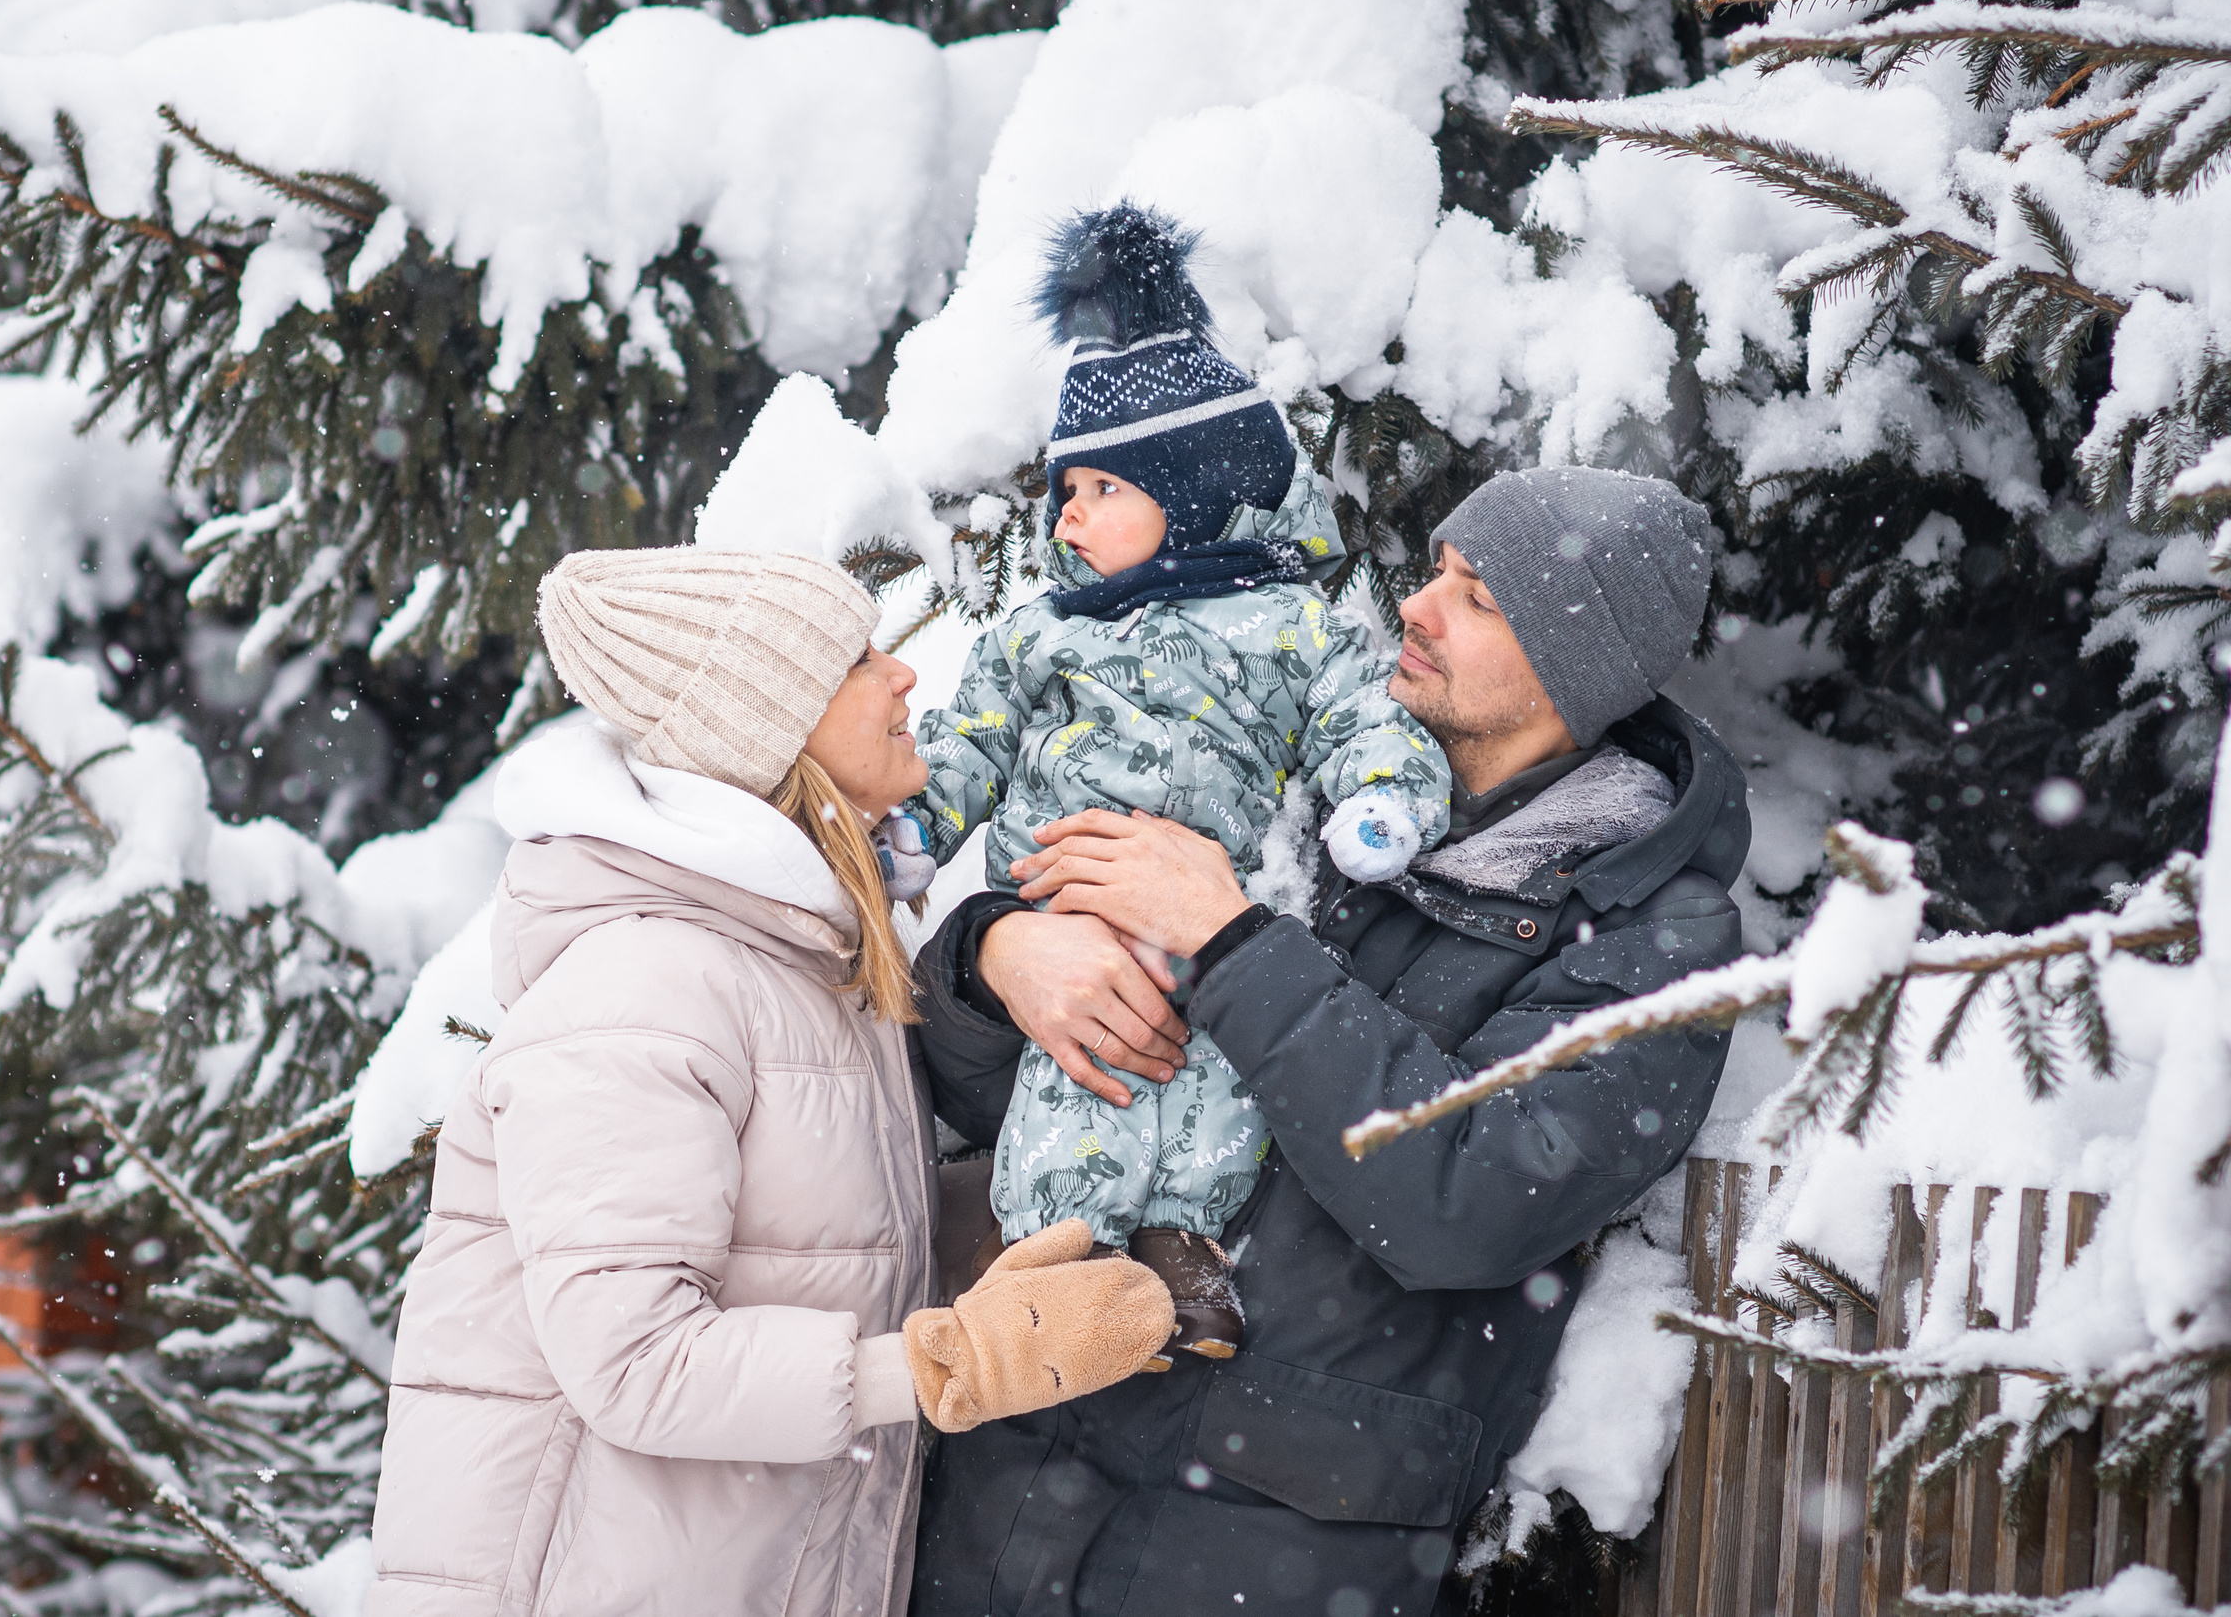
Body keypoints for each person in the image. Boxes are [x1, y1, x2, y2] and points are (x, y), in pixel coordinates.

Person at [909, 467, 1752, 1616]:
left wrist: (1233, 939)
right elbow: (986, 1101)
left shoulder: (1653, 926)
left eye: (1481, 598)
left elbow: (1468, 1200)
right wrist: (993, 958)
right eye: (1436, 572)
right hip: (1024, 1482)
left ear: (1577, 663)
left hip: (1264, 1545)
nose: (1415, 606)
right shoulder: (1289, 777)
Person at [363, 547, 1174, 1617]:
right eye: (856, 661)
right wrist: (958, 1363)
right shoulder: (647, 988)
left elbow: (797, 1240)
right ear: (769, 727)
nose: (904, 678)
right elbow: (638, 1365)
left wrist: (1026, 1212)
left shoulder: (793, 964)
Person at [906, 204, 1452, 1363]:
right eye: (1065, 492)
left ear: (1192, 489)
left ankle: (1182, 1263)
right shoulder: (1040, 633)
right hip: (1069, 912)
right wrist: (915, 828)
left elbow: (1364, 713)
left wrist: (1379, 803)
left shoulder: (1295, 623)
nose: (1068, 516)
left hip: (1209, 909)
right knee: (1083, 1077)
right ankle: (1060, 1266)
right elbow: (967, 742)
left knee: (1212, 1082)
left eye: (1101, 489)